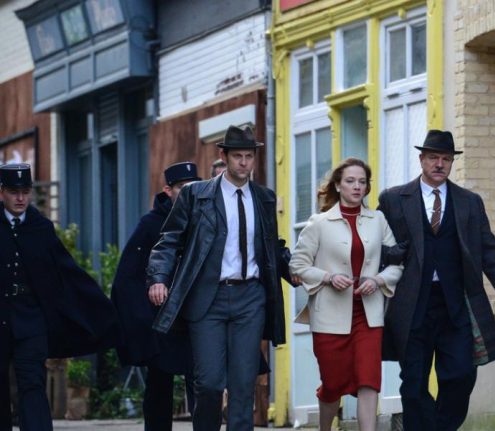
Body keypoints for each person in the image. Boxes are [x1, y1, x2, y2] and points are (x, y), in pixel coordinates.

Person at [377, 130, 495, 431]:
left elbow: (489, 250)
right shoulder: (393, 199)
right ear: (421, 159)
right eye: (433, 158)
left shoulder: (469, 202)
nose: (439, 164)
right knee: (413, 383)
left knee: (461, 375)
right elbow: (374, 244)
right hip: (411, 306)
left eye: (446, 159)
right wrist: (388, 256)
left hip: (455, 304)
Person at [146, 125, 285, 431]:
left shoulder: (264, 198)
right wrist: (158, 278)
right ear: (224, 156)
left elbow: (272, 247)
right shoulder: (197, 195)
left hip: (251, 298)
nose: (244, 163)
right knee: (208, 383)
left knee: (243, 383)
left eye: (249, 156)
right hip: (208, 298)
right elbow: (169, 240)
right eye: (237, 156)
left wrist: (294, 270)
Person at [0, 163, 119, 431]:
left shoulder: (41, 227)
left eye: (25, 191)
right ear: (2, 192)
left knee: (32, 383)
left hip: (31, 320)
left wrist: (100, 309)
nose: (20, 198)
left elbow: (65, 271)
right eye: (14, 192)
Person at [289, 158, 402, 431]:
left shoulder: (378, 220)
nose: (357, 186)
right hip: (329, 317)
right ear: (338, 185)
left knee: (369, 380)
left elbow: (396, 263)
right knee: (333, 383)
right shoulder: (319, 223)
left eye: (362, 182)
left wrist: (377, 280)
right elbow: (297, 265)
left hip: (368, 315)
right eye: (350, 181)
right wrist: (328, 277)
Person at [111, 162, 200, 430]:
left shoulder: (206, 219)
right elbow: (129, 274)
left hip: (197, 312)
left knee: (200, 379)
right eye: (182, 188)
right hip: (162, 316)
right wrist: (140, 317)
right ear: (168, 191)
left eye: (193, 187)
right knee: (160, 379)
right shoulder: (151, 224)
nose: (188, 193)